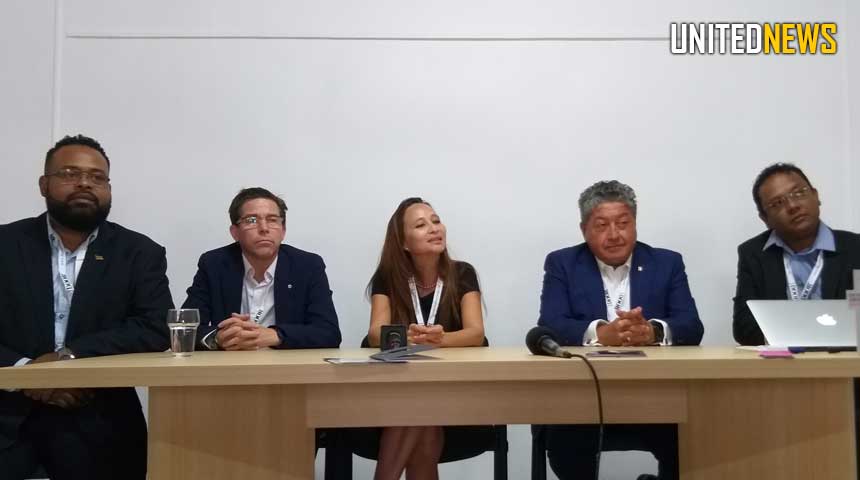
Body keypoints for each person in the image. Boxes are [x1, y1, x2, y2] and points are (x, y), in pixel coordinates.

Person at [0, 134, 173, 480]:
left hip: (100, 417)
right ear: (43, 184)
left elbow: (155, 326)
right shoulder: (5, 244)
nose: (84, 183)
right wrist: (26, 373)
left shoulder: (139, 252)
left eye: (97, 177)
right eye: (69, 173)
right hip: (7, 416)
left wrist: (68, 358)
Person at [537, 180, 704, 480]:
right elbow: (550, 324)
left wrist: (653, 332)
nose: (614, 234)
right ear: (584, 229)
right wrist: (600, 334)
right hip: (583, 398)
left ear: (635, 224)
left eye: (623, 223)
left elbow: (691, 325)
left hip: (655, 396)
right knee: (565, 445)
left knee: (690, 438)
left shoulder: (666, 263)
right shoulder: (563, 263)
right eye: (602, 225)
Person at [365, 197, 485, 480]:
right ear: (404, 243)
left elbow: (475, 333)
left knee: (419, 405)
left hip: (453, 386)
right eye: (421, 225)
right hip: (401, 387)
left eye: (436, 221)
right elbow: (374, 334)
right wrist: (405, 337)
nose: (434, 228)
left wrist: (439, 340)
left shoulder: (462, 273)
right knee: (420, 407)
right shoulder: (388, 276)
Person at [182, 187, 341, 350]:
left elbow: (329, 332)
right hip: (231, 362)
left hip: (285, 363)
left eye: (272, 220)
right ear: (235, 232)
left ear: (283, 230)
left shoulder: (307, 266)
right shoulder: (214, 264)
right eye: (251, 220)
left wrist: (276, 335)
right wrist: (217, 338)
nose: (264, 228)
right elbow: (184, 328)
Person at [733, 163, 860, 345]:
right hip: (783, 360)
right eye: (777, 203)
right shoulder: (753, 254)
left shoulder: (855, 248)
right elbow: (744, 329)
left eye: (799, 193)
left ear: (816, 196)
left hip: (846, 359)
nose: (792, 206)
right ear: (765, 218)